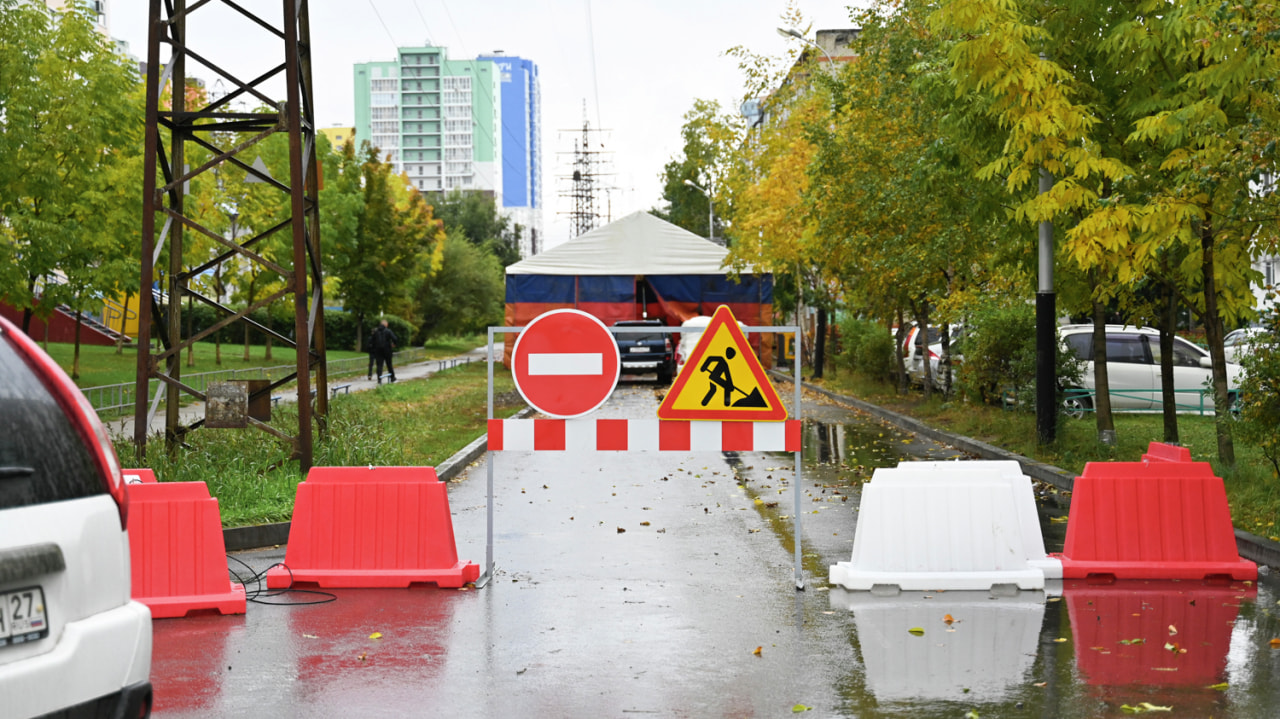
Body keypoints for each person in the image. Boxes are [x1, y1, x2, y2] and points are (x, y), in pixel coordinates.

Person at [369, 318, 397, 384]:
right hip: (387, 350)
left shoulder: (376, 332)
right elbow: (395, 338)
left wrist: (374, 348)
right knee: (389, 364)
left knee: (379, 365)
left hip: (378, 350)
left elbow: (371, 341)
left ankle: (379, 379)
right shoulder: (388, 331)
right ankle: (392, 377)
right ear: (386, 325)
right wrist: (394, 344)